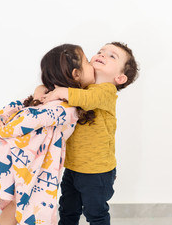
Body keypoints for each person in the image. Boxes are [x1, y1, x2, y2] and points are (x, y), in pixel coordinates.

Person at [0, 44, 95, 225]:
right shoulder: (65, 107)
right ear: (76, 74)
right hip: (26, 160)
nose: (92, 65)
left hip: (32, 161)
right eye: (87, 62)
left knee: (19, 206)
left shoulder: (59, 99)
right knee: (33, 209)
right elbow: (28, 117)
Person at [41, 42, 139, 225]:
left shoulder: (106, 91)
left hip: (97, 171)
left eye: (112, 56)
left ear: (120, 78)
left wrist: (62, 92)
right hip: (73, 166)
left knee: (96, 213)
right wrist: (45, 91)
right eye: (100, 51)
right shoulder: (81, 87)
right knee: (68, 209)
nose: (101, 55)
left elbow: (88, 99)